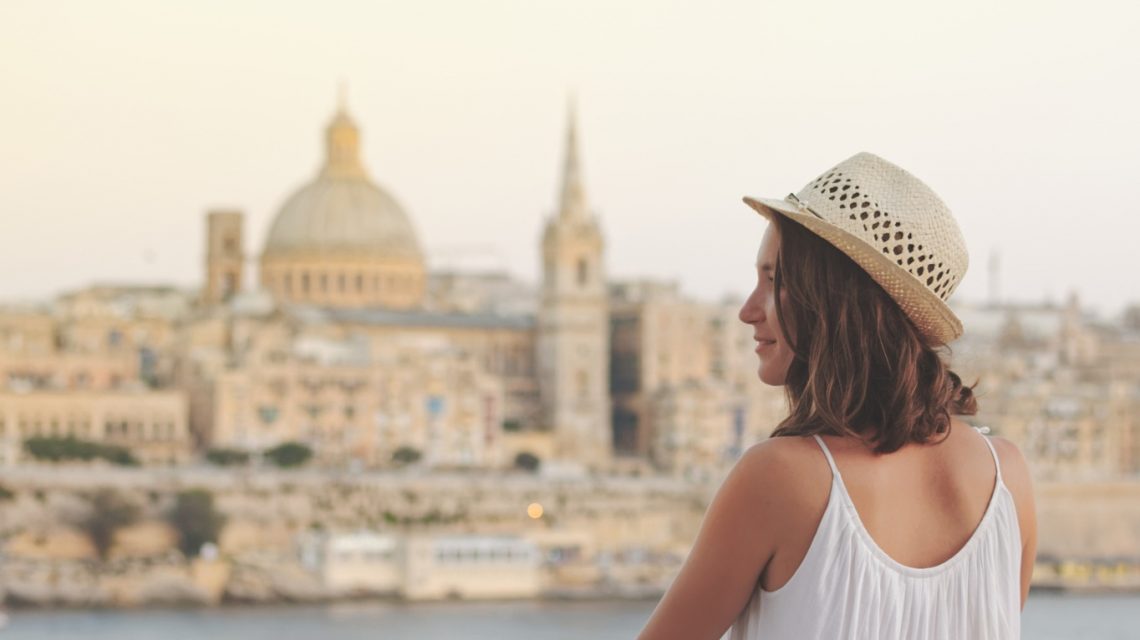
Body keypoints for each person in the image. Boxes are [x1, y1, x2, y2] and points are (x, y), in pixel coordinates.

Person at [638, 152, 1037, 639]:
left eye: (773, 281)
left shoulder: (780, 477)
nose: (747, 310)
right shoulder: (1008, 477)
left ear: (832, 299)